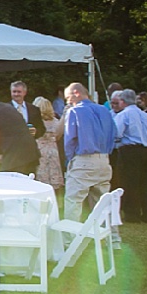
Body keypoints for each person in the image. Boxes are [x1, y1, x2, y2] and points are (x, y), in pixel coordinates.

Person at [62, 82, 115, 222]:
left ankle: (71, 240)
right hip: (105, 159)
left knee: (73, 200)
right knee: (103, 202)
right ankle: (110, 237)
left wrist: (70, 160)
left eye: (68, 98)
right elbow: (113, 135)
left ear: (76, 93)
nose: (68, 102)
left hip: (83, 159)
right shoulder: (105, 110)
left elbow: (69, 141)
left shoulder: (74, 111)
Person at [111, 89, 147, 223]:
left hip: (130, 151)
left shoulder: (124, 115)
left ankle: (132, 215)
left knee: (129, 183)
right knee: (145, 183)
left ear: (122, 101)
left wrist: (117, 144)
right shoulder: (145, 115)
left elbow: (116, 134)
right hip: (146, 152)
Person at [32, 96, 64, 189]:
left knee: (40, 176)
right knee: (53, 174)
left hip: (39, 149)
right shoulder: (55, 121)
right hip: (53, 150)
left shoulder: (36, 122)